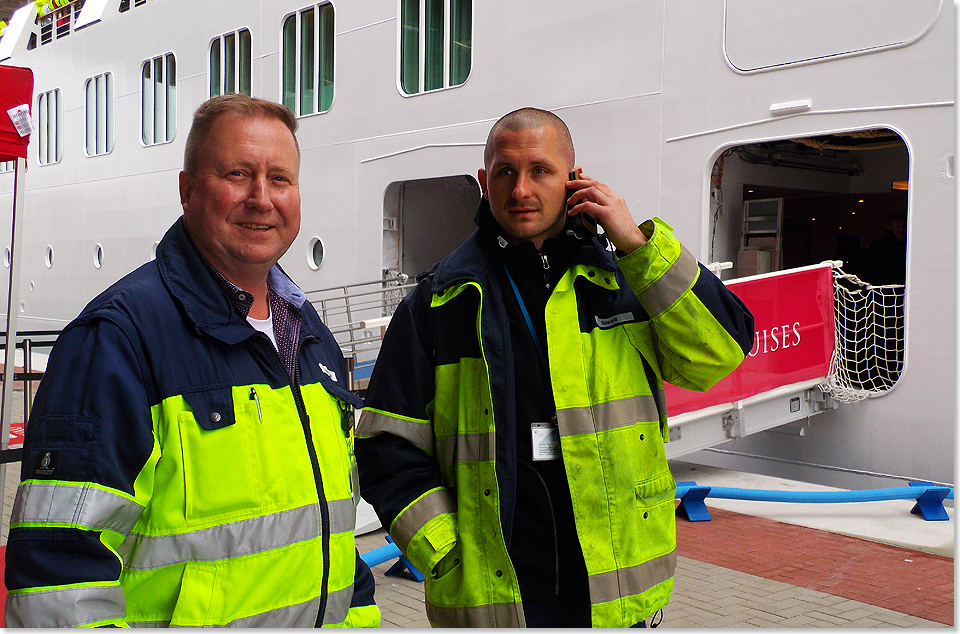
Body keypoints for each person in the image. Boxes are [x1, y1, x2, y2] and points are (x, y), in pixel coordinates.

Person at [354, 107, 754, 628]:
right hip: (496, 591)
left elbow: (718, 354)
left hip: (613, 587)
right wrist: (446, 550)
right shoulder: (440, 302)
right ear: (484, 181)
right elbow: (388, 445)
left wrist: (637, 243)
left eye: (540, 170)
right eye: (505, 172)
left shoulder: (625, 282)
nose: (521, 189)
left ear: (573, 179)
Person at [4, 94, 380, 628]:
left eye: (280, 179)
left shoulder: (309, 333)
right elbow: (59, 576)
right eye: (237, 173)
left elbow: (331, 524)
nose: (261, 198)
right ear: (186, 190)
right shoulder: (116, 341)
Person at [868, 212, 907, 285]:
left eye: (904, 226)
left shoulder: (910, 246)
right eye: (898, 226)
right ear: (889, 227)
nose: (902, 229)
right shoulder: (878, 246)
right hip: (883, 289)